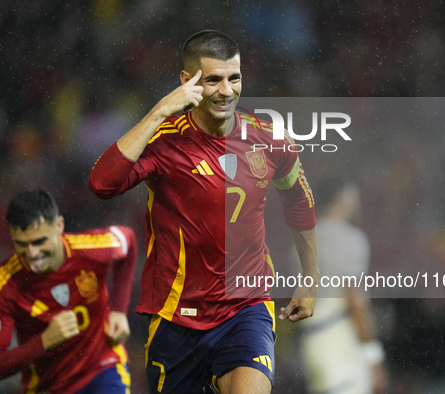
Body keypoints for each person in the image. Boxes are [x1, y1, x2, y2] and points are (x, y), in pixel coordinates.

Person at [88, 30, 318, 394]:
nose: (226, 91)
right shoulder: (164, 142)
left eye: (234, 78)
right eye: (213, 80)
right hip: (176, 317)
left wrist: (311, 274)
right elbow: (101, 184)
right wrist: (159, 110)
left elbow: (299, 202)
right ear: (187, 81)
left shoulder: (270, 139)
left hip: (246, 306)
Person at [0, 189, 138, 394]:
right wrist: (44, 341)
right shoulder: (4, 283)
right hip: (48, 386)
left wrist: (119, 310)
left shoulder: (91, 249)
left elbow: (129, 241)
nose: (32, 253)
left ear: (59, 226)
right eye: (21, 244)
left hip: (102, 367)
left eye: (39, 241)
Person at [299, 178, 387, 394]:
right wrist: (373, 356)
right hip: (341, 346)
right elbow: (356, 300)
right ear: (344, 198)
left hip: (311, 344)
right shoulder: (349, 238)